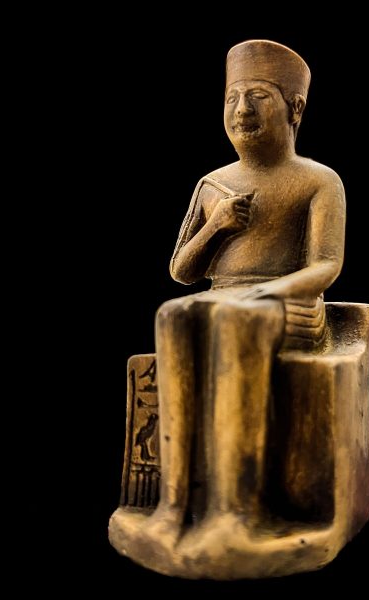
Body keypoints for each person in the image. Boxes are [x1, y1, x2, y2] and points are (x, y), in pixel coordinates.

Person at [146, 40, 346, 543]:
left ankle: (238, 511)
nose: (241, 110)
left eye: (258, 97)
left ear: (294, 108)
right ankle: (175, 503)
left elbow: (326, 265)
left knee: (236, 318)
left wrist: (269, 294)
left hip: (288, 303)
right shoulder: (213, 184)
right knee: (172, 314)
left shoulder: (318, 180)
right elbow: (182, 272)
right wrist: (216, 226)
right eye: (232, 98)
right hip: (221, 296)